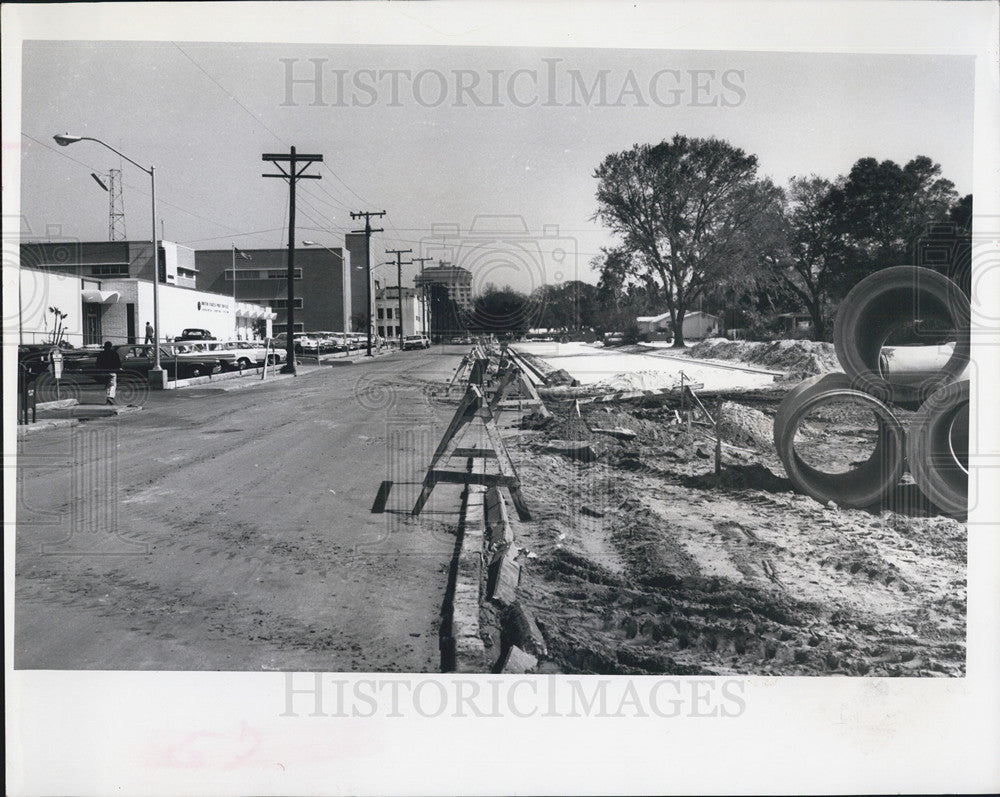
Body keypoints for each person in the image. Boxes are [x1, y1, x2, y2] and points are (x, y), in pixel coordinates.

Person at [95, 341, 122, 405]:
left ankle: (108, 399)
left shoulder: (101, 354)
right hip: (112, 371)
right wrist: (119, 368)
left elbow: (97, 363)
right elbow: (118, 363)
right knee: (112, 385)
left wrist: (99, 370)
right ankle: (110, 397)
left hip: (103, 371)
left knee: (107, 385)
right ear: (111, 346)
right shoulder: (114, 353)